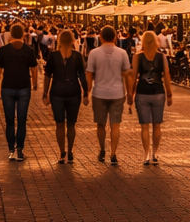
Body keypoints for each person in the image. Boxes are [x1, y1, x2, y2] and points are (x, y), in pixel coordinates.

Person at [86, 26, 131, 165]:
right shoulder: (122, 53)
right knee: (115, 125)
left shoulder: (94, 53)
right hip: (117, 93)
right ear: (115, 37)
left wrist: (87, 91)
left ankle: (102, 149)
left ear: (100, 37)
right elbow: (127, 74)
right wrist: (130, 92)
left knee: (100, 124)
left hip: (99, 92)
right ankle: (113, 153)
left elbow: (89, 73)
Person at [0, 24, 40, 162]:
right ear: (23, 34)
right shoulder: (29, 50)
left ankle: (11, 149)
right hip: (24, 88)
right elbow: (34, 68)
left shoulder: (3, 50)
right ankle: (19, 149)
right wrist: (34, 83)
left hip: (7, 87)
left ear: (10, 35)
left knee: (9, 121)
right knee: (22, 120)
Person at [128, 30, 172, 165]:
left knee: (144, 126)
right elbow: (167, 76)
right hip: (158, 92)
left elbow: (134, 75)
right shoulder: (162, 56)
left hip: (142, 93)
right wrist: (169, 94)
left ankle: (146, 154)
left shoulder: (137, 56)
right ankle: (155, 153)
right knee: (157, 125)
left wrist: (130, 93)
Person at [44, 30, 88, 163]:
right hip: (74, 92)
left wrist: (45, 93)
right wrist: (86, 92)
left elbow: (47, 75)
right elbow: (81, 75)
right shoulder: (77, 56)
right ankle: (70, 151)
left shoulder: (53, 55)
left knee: (59, 124)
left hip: (57, 92)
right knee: (71, 124)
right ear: (72, 40)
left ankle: (62, 152)